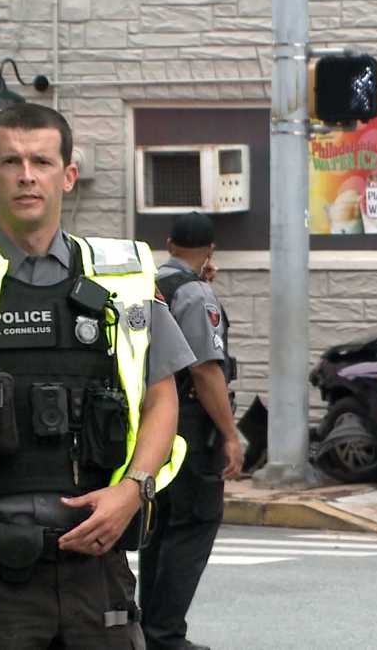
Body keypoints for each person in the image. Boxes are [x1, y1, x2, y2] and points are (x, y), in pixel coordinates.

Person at [0, 103, 193, 647]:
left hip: (99, 564)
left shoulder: (122, 278)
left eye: (41, 161)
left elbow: (161, 398)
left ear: (68, 174)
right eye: (11, 161)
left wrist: (133, 491)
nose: (26, 174)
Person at [139, 213, 243, 650]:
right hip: (190, 424)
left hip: (151, 423)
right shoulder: (197, 293)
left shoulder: (148, 281)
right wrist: (230, 434)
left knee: (158, 525)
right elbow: (204, 368)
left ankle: (148, 628)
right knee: (195, 522)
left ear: (169, 243)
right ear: (210, 250)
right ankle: (165, 634)